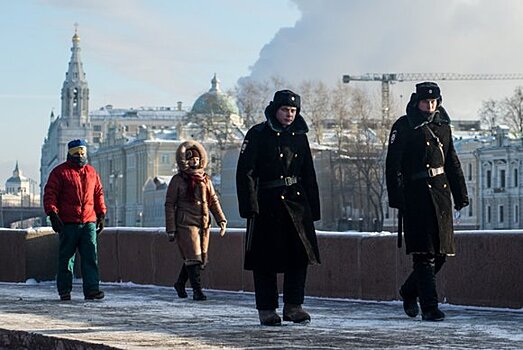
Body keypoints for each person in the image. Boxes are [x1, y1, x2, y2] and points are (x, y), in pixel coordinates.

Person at [236, 89, 321, 326]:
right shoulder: (258, 134)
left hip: (296, 204)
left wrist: (313, 208)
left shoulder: (300, 136)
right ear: (275, 110)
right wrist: (250, 206)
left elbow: (308, 173)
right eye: (285, 110)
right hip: (267, 204)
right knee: (265, 261)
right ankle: (267, 308)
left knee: (299, 257)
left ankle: (294, 306)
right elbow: (246, 172)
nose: (289, 115)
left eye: (293, 110)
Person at [385, 82, 469, 321]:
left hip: (441, 195)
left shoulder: (443, 126)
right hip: (416, 195)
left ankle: (409, 291)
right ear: (416, 101)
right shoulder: (403, 126)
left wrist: (460, 195)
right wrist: (397, 198)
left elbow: (452, 161)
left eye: (433, 102)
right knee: (424, 254)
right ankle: (430, 307)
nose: (430, 106)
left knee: (441, 254)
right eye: (425, 102)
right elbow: (393, 166)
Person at [43, 139, 107, 301]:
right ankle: (64, 290)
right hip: (68, 223)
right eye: (75, 152)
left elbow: (98, 194)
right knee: (66, 259)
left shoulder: (92, 172)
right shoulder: (59, 172)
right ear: (69, 153)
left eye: (82, 152)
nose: (79, 155)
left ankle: (92, 290)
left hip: (88, 222)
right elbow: (50, 194)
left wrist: (101, 214)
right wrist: (53, 214)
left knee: (90, 257)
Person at [165, 140, 227, 301]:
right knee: (194, 256)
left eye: (197, 159)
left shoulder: (205, 179)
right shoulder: (178, 180)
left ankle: (180, 283)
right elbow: (170, 204)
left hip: (203, 223)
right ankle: (197, 291)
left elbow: (213, 200)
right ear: (185, 160)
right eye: (191, 159)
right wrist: (171, 228)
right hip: (185, 222)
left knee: (197, 258)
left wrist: (221, 219)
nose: (194, 162)